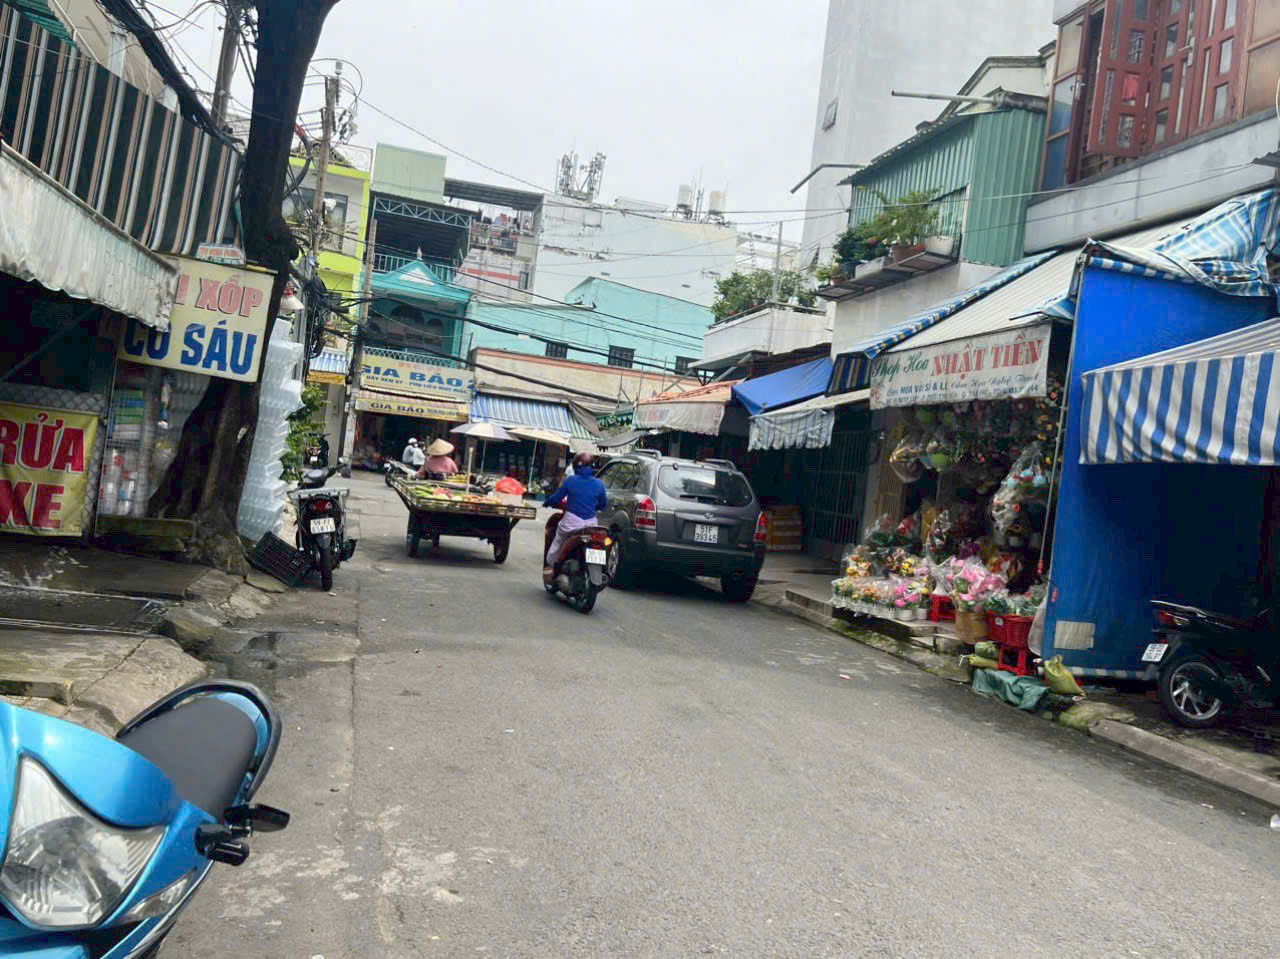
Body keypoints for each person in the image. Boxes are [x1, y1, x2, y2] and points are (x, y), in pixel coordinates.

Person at [544, 452, 608, 573]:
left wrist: (547, 502)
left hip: (572, 522)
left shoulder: (571, 480)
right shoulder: (599, 484)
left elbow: (557, 497)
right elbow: (603, 505)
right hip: (591, 525)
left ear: (575, 466)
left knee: (559, 538)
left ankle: (552, 566)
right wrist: (595, 507)